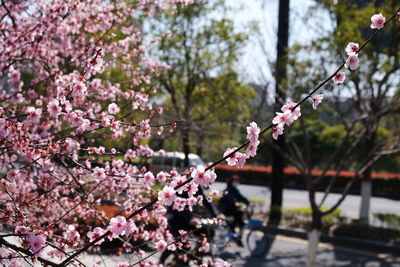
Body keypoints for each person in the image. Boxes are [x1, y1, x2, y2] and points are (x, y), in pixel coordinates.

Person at [159, 184, 220, 266]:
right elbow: (179, 203)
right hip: (176, 217)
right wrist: (189, 219)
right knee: (179, 241)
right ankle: (164, 260)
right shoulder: (185, 184)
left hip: (188, 218)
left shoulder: (198, 186)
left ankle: (196, 255)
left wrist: (216, 215)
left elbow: (205, 200)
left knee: (207, 232)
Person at [219, 175, 250, 246]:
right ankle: (235, 235)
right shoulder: (228, 190)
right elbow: (230, 197)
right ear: (231, 182)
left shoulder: (235, 190)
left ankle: (236, 236)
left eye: (237, 181)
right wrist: (235, 203)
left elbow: (241, 197)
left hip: (233, 209)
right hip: (227, 209)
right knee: (239, 219)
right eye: (235, 181)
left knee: (240, 218)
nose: (236, 183)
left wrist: (248, 202)